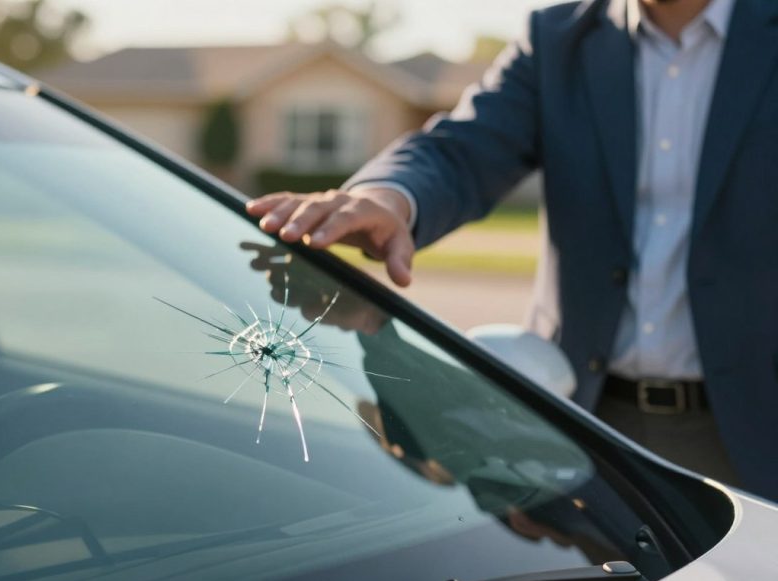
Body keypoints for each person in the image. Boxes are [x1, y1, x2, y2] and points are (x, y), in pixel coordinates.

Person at [246, 0, 778, 499]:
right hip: (582, 424)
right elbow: (461, 149)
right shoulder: (557, 40)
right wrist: (386, 199)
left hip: (757, 426)